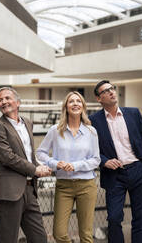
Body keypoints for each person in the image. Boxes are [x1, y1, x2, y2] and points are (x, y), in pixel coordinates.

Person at [89, 80, 142, 243]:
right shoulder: (93, 121)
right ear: (99, 98)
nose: (111, 92)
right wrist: (104, 161)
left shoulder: (133, 113)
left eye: (112, 88)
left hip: (139, 171)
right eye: (106, 91)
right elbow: (90, 149)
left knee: (139, 218)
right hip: (114, 175)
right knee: (114, 218)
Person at [0, 87, 51, 243]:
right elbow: (7, 157)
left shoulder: (27, 123)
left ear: (18, 102)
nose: (3, 102)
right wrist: (35, 169)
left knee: (39, 238)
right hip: (10, 191)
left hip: (30, 189)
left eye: (7, 98)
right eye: (0, 100)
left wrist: (41, 166)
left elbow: (28, 155)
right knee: (8, 238)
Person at [36, 91, 100, 243]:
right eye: (71, 101)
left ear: (83, 107)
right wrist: (55, 163)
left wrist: (75, 166)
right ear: (66, 106)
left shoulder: (91, 131)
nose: (75, 103)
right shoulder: (55, 130)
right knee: (59, 233)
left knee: (86, 235)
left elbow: (96, 160)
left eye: (78, 101)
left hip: (86, 185)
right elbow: (40, 153)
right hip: (64, 185)